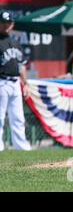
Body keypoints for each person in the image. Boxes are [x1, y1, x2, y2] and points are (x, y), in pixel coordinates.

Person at [0, 11, 32, 151]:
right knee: (0, 116)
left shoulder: (15, 43)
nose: (7, 25)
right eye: (4, 22)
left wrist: (25, 84)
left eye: (9, 22)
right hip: (1, 82)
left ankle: (21, 146)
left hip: (15, 83)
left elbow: (21, 65)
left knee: (18, 117)